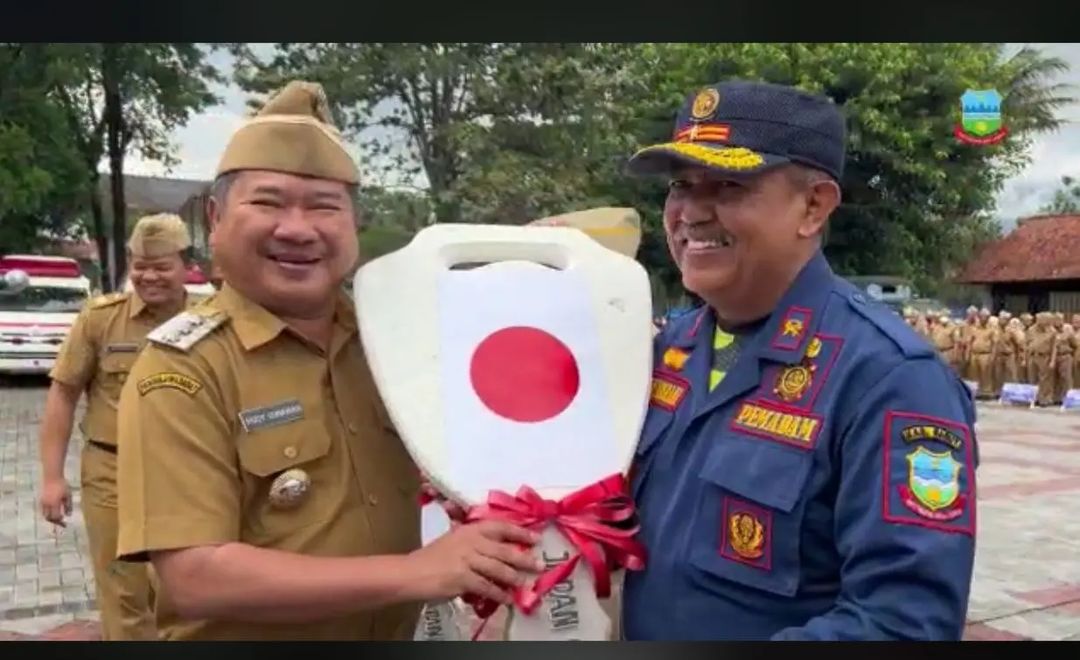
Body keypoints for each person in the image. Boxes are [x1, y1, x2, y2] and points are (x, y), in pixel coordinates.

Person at [113, 81, 541, 641]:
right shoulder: (184, 369)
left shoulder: (393, 339)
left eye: (324, 206)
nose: (297, 228)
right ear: (216, 218)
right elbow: (196, 577)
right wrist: (417, 573)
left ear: (352, 224)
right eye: (268, 203)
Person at [619, 80, 978, 640]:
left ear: (813, 206)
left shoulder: (890, 378)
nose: (690, 213)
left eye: (729, 186)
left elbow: (904, 624)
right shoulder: (667, 351)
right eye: (681, 186)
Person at [37, 213, 197, 640]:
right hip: (112, 472)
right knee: (123, 592)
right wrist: (52, 478)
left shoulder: (210, 319)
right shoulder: (100, 319)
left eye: (162, 266)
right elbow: (63, 394)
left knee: (185, 588)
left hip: (189, 472)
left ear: (186, 265)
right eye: (140, 266)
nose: (149, 276)